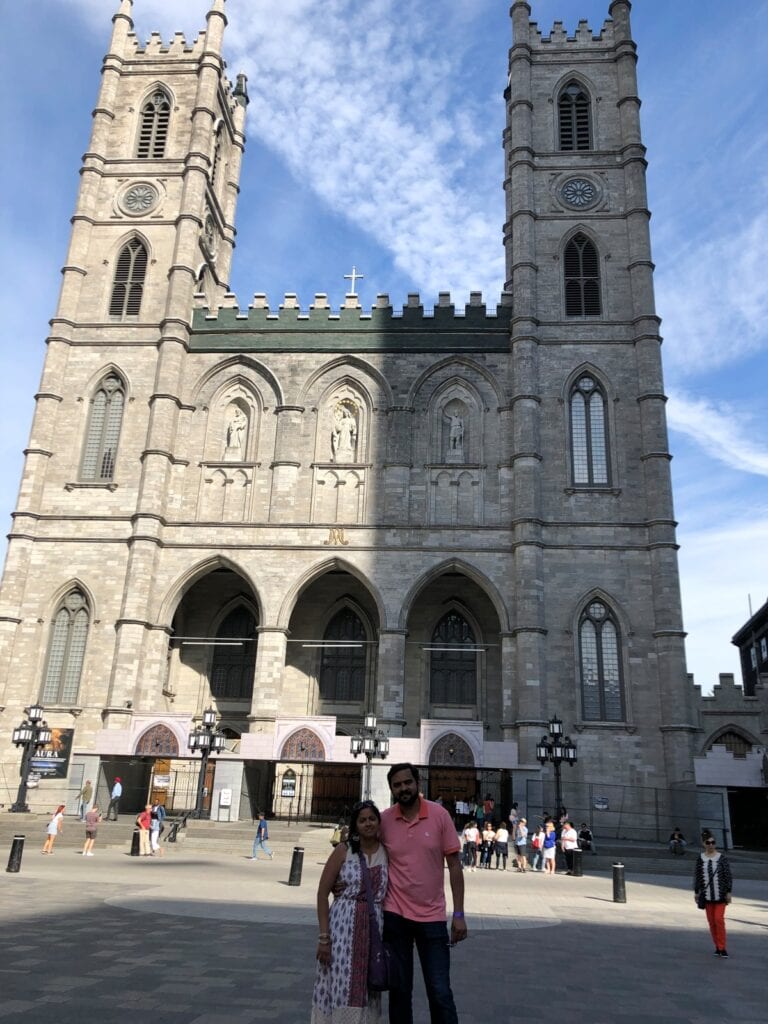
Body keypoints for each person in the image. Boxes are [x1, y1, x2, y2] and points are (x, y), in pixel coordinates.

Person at [380, 763, 466, 1024]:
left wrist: (459, 914)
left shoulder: (440, 816)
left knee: (439, 991)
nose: (403, 788)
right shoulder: (384, 819)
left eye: (407, 782)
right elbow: (363, 853)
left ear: (418, 783)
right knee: (399, 991)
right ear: (392, 789)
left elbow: (454, 866)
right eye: (397, 785)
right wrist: (338, 882)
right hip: (395, 916)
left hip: (432, 918)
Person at [312, 800, 387, 1023]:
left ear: (379, 822)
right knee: (341, 983)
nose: (368, 824)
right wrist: (324, 937)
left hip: (374, 931)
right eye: (362, 820)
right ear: (355, 825)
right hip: (343, 931)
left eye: (372, 819)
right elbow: (321, 893)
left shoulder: (387, 852)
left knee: (368, 984)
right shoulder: (343, 851)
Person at [694, 830, 733, 958]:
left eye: (713, 842)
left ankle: (722, 947)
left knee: (718, 920)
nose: (711, 845)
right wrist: (696, 892)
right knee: (711, 922)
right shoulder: (700, 858)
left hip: (720, 895)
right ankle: (717, 946)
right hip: (707, 896)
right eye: (708, 842)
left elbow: (728, 876)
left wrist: (728, 892)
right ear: (703, 844)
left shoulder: (722, 858)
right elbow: (698, 876)